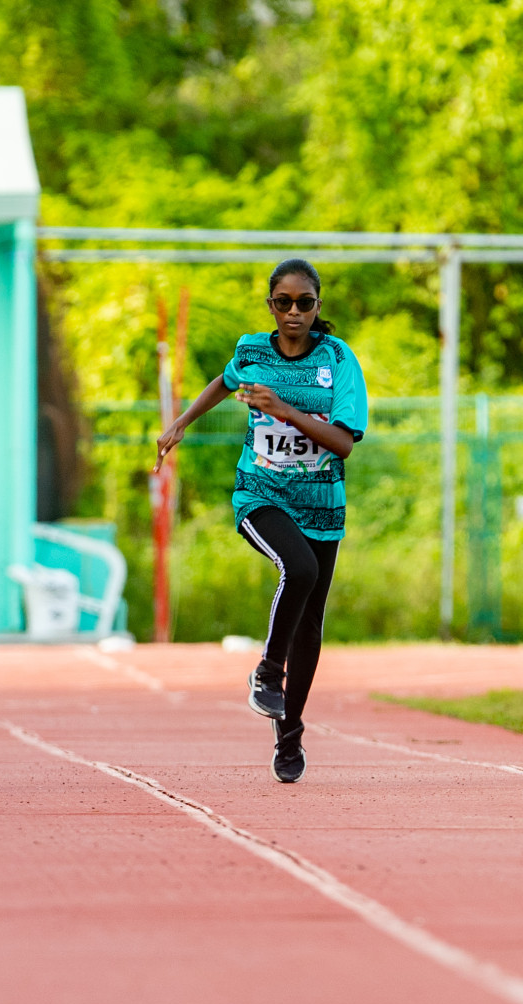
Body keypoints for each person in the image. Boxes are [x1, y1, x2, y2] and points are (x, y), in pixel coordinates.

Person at [155, 258, 368, 783]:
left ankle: (289, 733)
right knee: (299, 570)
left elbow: (343, 442)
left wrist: (286, 410)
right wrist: (180, 422)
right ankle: (267, 672)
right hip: (261, 493)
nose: (293, 312)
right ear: (270, 305)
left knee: (311, 624)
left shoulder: (338, 359)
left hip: (322, 502)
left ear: (319, 307)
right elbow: (224, 381)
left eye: (304, 303)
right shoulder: (252, 349)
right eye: (283, 303)